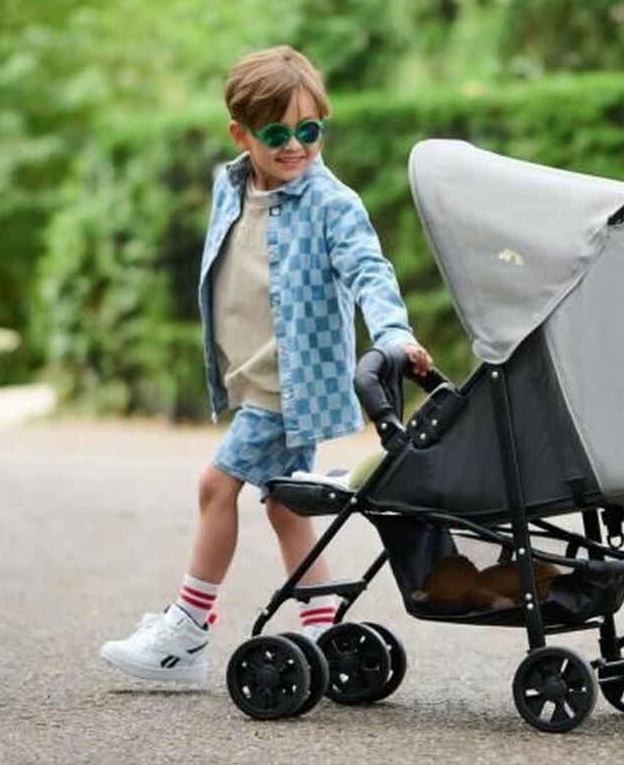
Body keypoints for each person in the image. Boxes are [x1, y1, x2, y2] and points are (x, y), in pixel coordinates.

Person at [100, 45, 432, 686]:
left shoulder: (333, 203)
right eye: (277, 133)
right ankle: (324, 626)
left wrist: (393, 332)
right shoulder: (232, 185)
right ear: (241, 134)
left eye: (310, 131)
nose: (296, 147)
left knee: (214, 486)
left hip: (292, 384)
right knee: (285, 506)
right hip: (252, 375)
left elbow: (370, 269)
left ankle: (187, 633)